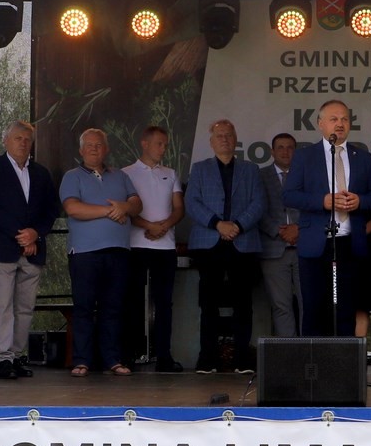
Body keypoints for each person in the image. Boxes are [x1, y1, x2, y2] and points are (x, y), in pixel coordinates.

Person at [283, 99, 371, 337]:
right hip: (315, 244)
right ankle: (314, 360)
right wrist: (323, 201)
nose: (340, 124)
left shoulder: (363, 157)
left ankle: (344, 360)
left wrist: (360, 201)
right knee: (314, 309)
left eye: (344, 119)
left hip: (350, 244)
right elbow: (289, 195)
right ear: (320, 124)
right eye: (334, 119)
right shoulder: (304, 156)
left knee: (346, 310)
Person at [0, 120, 61, 380]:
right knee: (3, 304)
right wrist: (22, 236)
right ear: (6, 140)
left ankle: (16, 355)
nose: (23, 143)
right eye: (18, 138)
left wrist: (36, 233)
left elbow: (51, 209)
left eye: (27, 139)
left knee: (25, 307)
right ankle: (3, 358)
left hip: (34, 250)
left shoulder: (41, 173)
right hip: (4, 248)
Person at [185, 119, 265, 374]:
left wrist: (237, 226)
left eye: (229, 135)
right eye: (219, 135)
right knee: (208, 302)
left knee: (243, 302)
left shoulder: (251, 169)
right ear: (211, 142)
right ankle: (207, 359)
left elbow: (259, 203)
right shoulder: (199, 169)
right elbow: (192, 202)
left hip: (243, 242)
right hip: (209, 242)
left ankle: (242, 359)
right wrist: (218, 224)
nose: (224, 139)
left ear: (235, 139)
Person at [60, 129, 141, 377]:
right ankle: (82, 361)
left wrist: (125, 206)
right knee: (84, 307)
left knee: (113, 308)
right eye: (90, 145)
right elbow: (73, 208)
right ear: (81, 150)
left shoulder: (121, 176)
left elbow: (137, 205)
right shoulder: (72, 176)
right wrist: (111, 211)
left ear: (106, 149)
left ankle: (112, 360)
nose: (94, 149)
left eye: (99, 145)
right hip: (85, 253)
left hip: (118, 251)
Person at [123, 126, 185, 373]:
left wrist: (164, 226)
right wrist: (148, 226)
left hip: (165, 246)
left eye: (165, 145)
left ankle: (164, 357)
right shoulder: (126, 173)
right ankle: (129, 354)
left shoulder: (170, 173)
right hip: (136, 245)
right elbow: (127, 210)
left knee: (164, 302)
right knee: (133, 301)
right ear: (145, 144)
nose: (163, 149)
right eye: (159, 143)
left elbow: (178, 208)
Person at [258, 133, 303, 337]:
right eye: (281, 147)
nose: (285, 152)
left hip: (304, 248)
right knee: (280, 305)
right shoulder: (260, 176)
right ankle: (288, 351)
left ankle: (309, 349)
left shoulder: (306, 175)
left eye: (290, 147)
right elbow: (256, 210)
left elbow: (315, 207)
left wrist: (299, 228)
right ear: (272, 151)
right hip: (273, 248)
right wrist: (278, 230)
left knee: (308, 303)